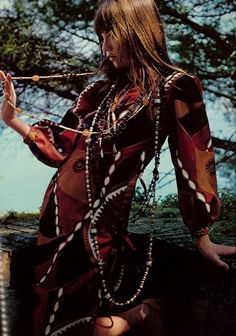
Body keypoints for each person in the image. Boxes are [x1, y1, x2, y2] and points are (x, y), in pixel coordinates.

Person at [0, 0, 235, 335]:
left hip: (100, 227)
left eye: (113, 32)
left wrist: (203, 234)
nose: (104, 43)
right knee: (47, 320)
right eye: (101, 34)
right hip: (55, 219)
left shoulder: (174, 86)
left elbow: (195, 156)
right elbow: (60, 147)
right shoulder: (100, 91)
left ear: (139, 31)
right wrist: (11, 119)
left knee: (81, 325)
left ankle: (145, 313)